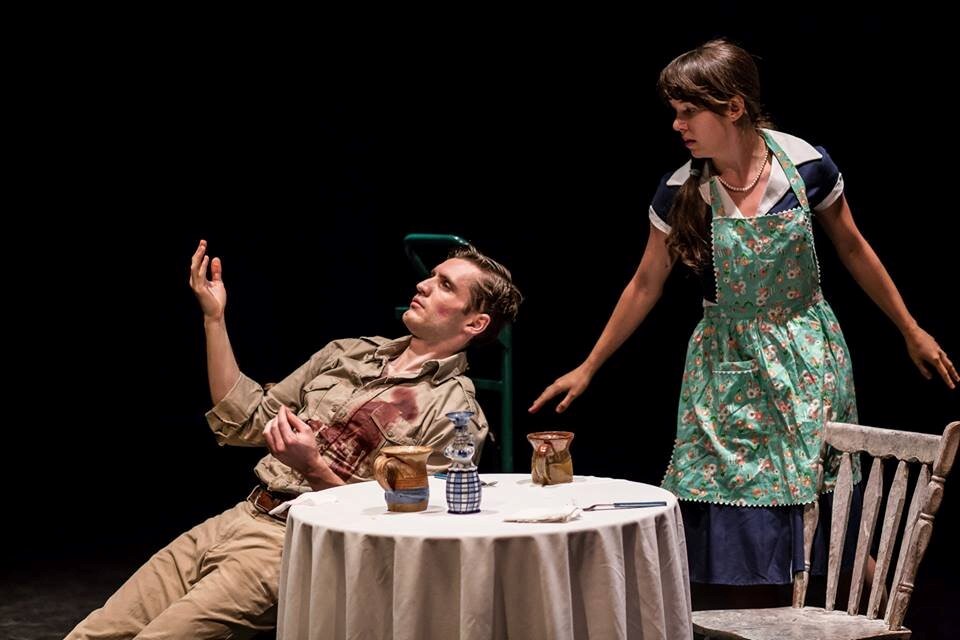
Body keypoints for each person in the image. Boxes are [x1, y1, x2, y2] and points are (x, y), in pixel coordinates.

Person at [530, 39, 957, 606]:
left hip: (805, 350)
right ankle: (745, 613)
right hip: (726, 358)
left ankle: (864, 608)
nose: (678, 124)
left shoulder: (804, 167)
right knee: (727, 485)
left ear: (733, 107)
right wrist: (588, 366)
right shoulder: (684, 189)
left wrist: (910, 328)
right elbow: (644, 284)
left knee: (815, 489)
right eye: (675, 112)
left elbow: (854, 249)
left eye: (688, 111)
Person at [67, 239, 522, 639]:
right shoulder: (348, 353)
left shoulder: (454, 412)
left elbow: (404, 531)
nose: (424, 285)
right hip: (240, 515)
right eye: (432, 277)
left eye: (445, 286)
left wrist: (314, 469)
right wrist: (215, 318)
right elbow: (246, 417)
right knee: (93, 633)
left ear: (475, 323)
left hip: (293, 543)